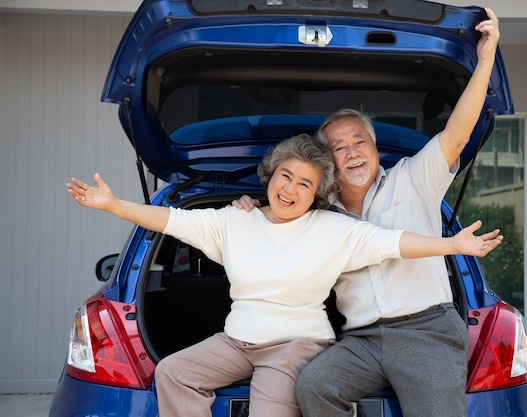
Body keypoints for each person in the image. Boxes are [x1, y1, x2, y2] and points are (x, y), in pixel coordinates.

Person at [67, 134, 501, 417]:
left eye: (305, 185)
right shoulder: (233, 222)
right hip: (237, 341)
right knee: (174, 372)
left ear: (316, 195)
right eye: (285, 176)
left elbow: (395, 243)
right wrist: (113, 204)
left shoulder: (334, 229)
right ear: (270, 176)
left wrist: (451, 245)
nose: (290, 190)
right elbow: (169, 219)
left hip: (295, 346)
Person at [232, 8, 501, 417]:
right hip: (361, 340)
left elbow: (457, 132)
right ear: (328, 161)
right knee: (316, 386)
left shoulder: (414, 179)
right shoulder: (317, 210)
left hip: (426, 330)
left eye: (360, 141)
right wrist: (250, 208)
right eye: (340, 147)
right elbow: (277, 220)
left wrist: (485, 60)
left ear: (376, 150)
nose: (353, 151)